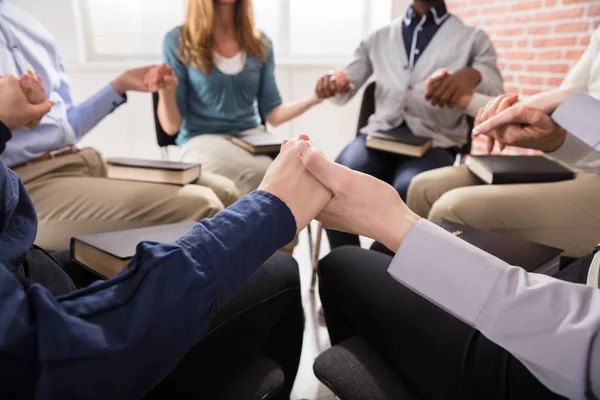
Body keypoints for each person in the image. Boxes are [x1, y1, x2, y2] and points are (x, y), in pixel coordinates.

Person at [0, 75, 333, 398]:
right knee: (280, 266)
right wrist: (264, 215)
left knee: (226, 196)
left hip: (37, 256)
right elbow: (38, 355)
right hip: (62, 336)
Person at [291, 122, 599, 398]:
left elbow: (577, 341)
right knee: (384, 254)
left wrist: (395, 223)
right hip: (585, 280)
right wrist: (565, 118)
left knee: (341, 264)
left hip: (551, 353)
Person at [0, 0, 240, 251]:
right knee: (203, 205)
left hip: (78, 160)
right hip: (24, 183)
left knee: (225, 190)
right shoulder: (178, 40)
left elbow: (64, 127)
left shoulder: (29, 26)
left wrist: (119, 86)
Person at [313, 0, 504, 249]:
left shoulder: (473, 39)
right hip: (377, 138)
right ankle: (346, 264)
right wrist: (332, 83)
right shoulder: (379, 37)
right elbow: (346, 86)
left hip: (436, 143)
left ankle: (378, 271)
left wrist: (473, 75)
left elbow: (495, 96)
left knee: (410, 191)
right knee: (332, 181)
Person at [406, 25, 600, 258]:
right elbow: (560, 108)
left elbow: (566, 103)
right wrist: (468, 101)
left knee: (452, 210)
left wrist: (561, 118)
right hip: (581, 162)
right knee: (424, 186)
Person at [158, 0, 322, 195]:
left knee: (309, 168)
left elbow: (274, 115)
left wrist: (316, 97)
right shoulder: (178, 41)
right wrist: (165, 91)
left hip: (252, 137)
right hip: (201, 138)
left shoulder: (259, 43)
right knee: (259, 174)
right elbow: (171, 126)